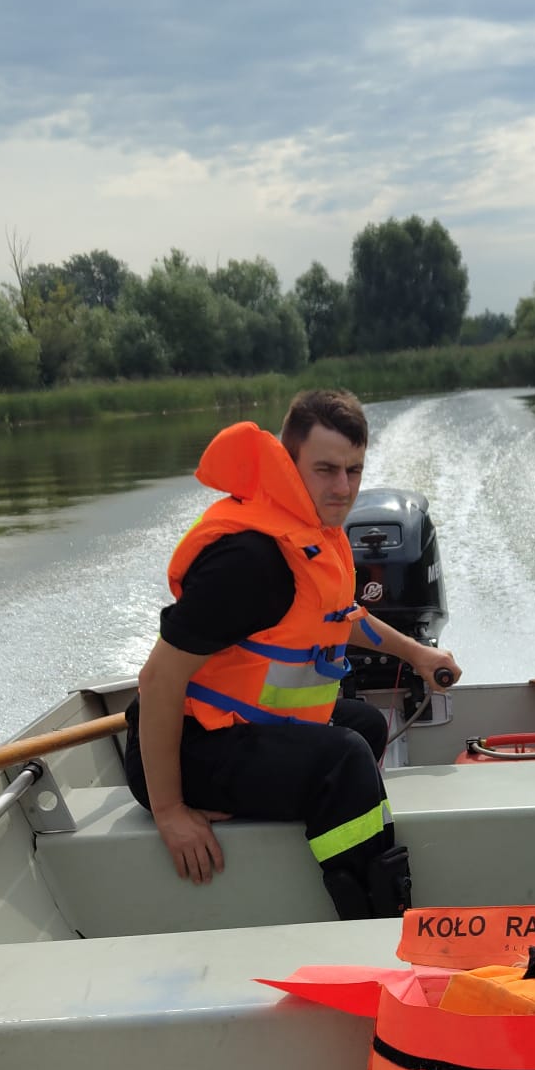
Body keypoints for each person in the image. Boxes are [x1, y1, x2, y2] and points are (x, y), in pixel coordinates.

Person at [125, 388, 461, 919]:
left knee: (365, 726)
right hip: (187, 751)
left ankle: (321, 835)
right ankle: (373, 914)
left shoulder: (311, 534)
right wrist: (169, 811)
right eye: (326, 470)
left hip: (236, 725)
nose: (343, 487)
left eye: (353, 470)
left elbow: (341, 616)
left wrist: (416, 654)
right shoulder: (251, 562)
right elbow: (157, 681)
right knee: (343, 757)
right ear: (289, 462)